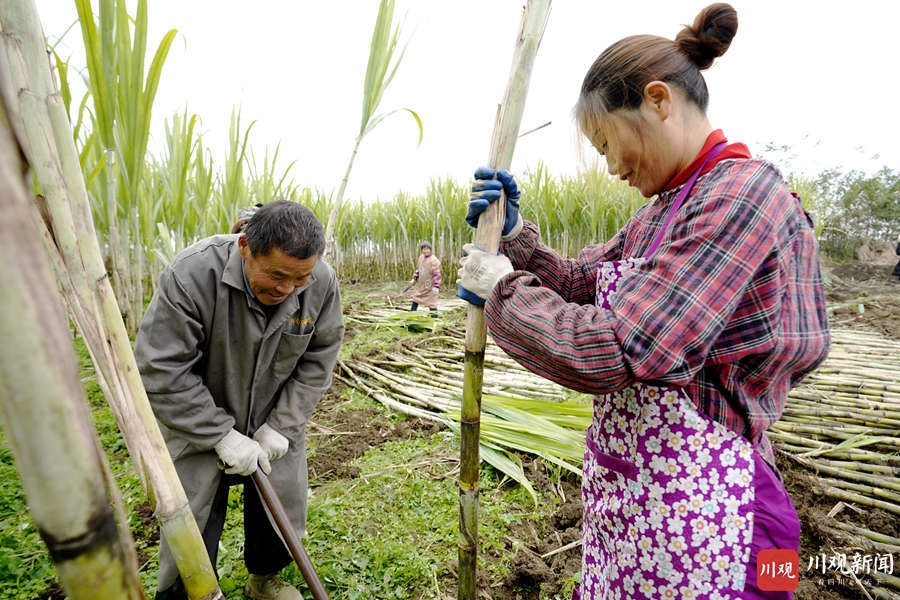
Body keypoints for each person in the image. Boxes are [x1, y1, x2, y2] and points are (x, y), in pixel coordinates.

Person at [457, 4, 830, 599]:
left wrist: (501, 289)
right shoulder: (666, 208)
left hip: (714, 519)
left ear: (659, 101)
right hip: (643, 509)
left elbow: (615, 348)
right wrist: (514, 241)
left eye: (607, 143)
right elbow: (582, 283)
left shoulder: (742, 196)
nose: (610, 167)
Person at [134, 200, 344, 600]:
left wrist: (282, 424)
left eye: (299, 280)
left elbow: (320, 357)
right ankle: (191, 592)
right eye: (277, 275)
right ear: (245, 246)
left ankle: (264, 581)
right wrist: (220, 434)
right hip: (198, 418)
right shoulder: (192, 275)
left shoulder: (320, 282)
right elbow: (161, 368)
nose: (287, 289)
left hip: (273, 415)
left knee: (278, 503)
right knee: (192, 515)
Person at [408, 241, 442, 317]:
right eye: (424, 249)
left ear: (430, 250)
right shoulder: (421, 258)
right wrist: (414, 278)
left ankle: (435, 319)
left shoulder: (434, 260)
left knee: (432, 303)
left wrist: (436, 286)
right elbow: (418, 269)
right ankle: (411, 316)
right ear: (421, 250)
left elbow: (437, 274)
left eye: (427, 249)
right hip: (422, 286)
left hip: (430, 287)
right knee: (415, 299)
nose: (425, 251)